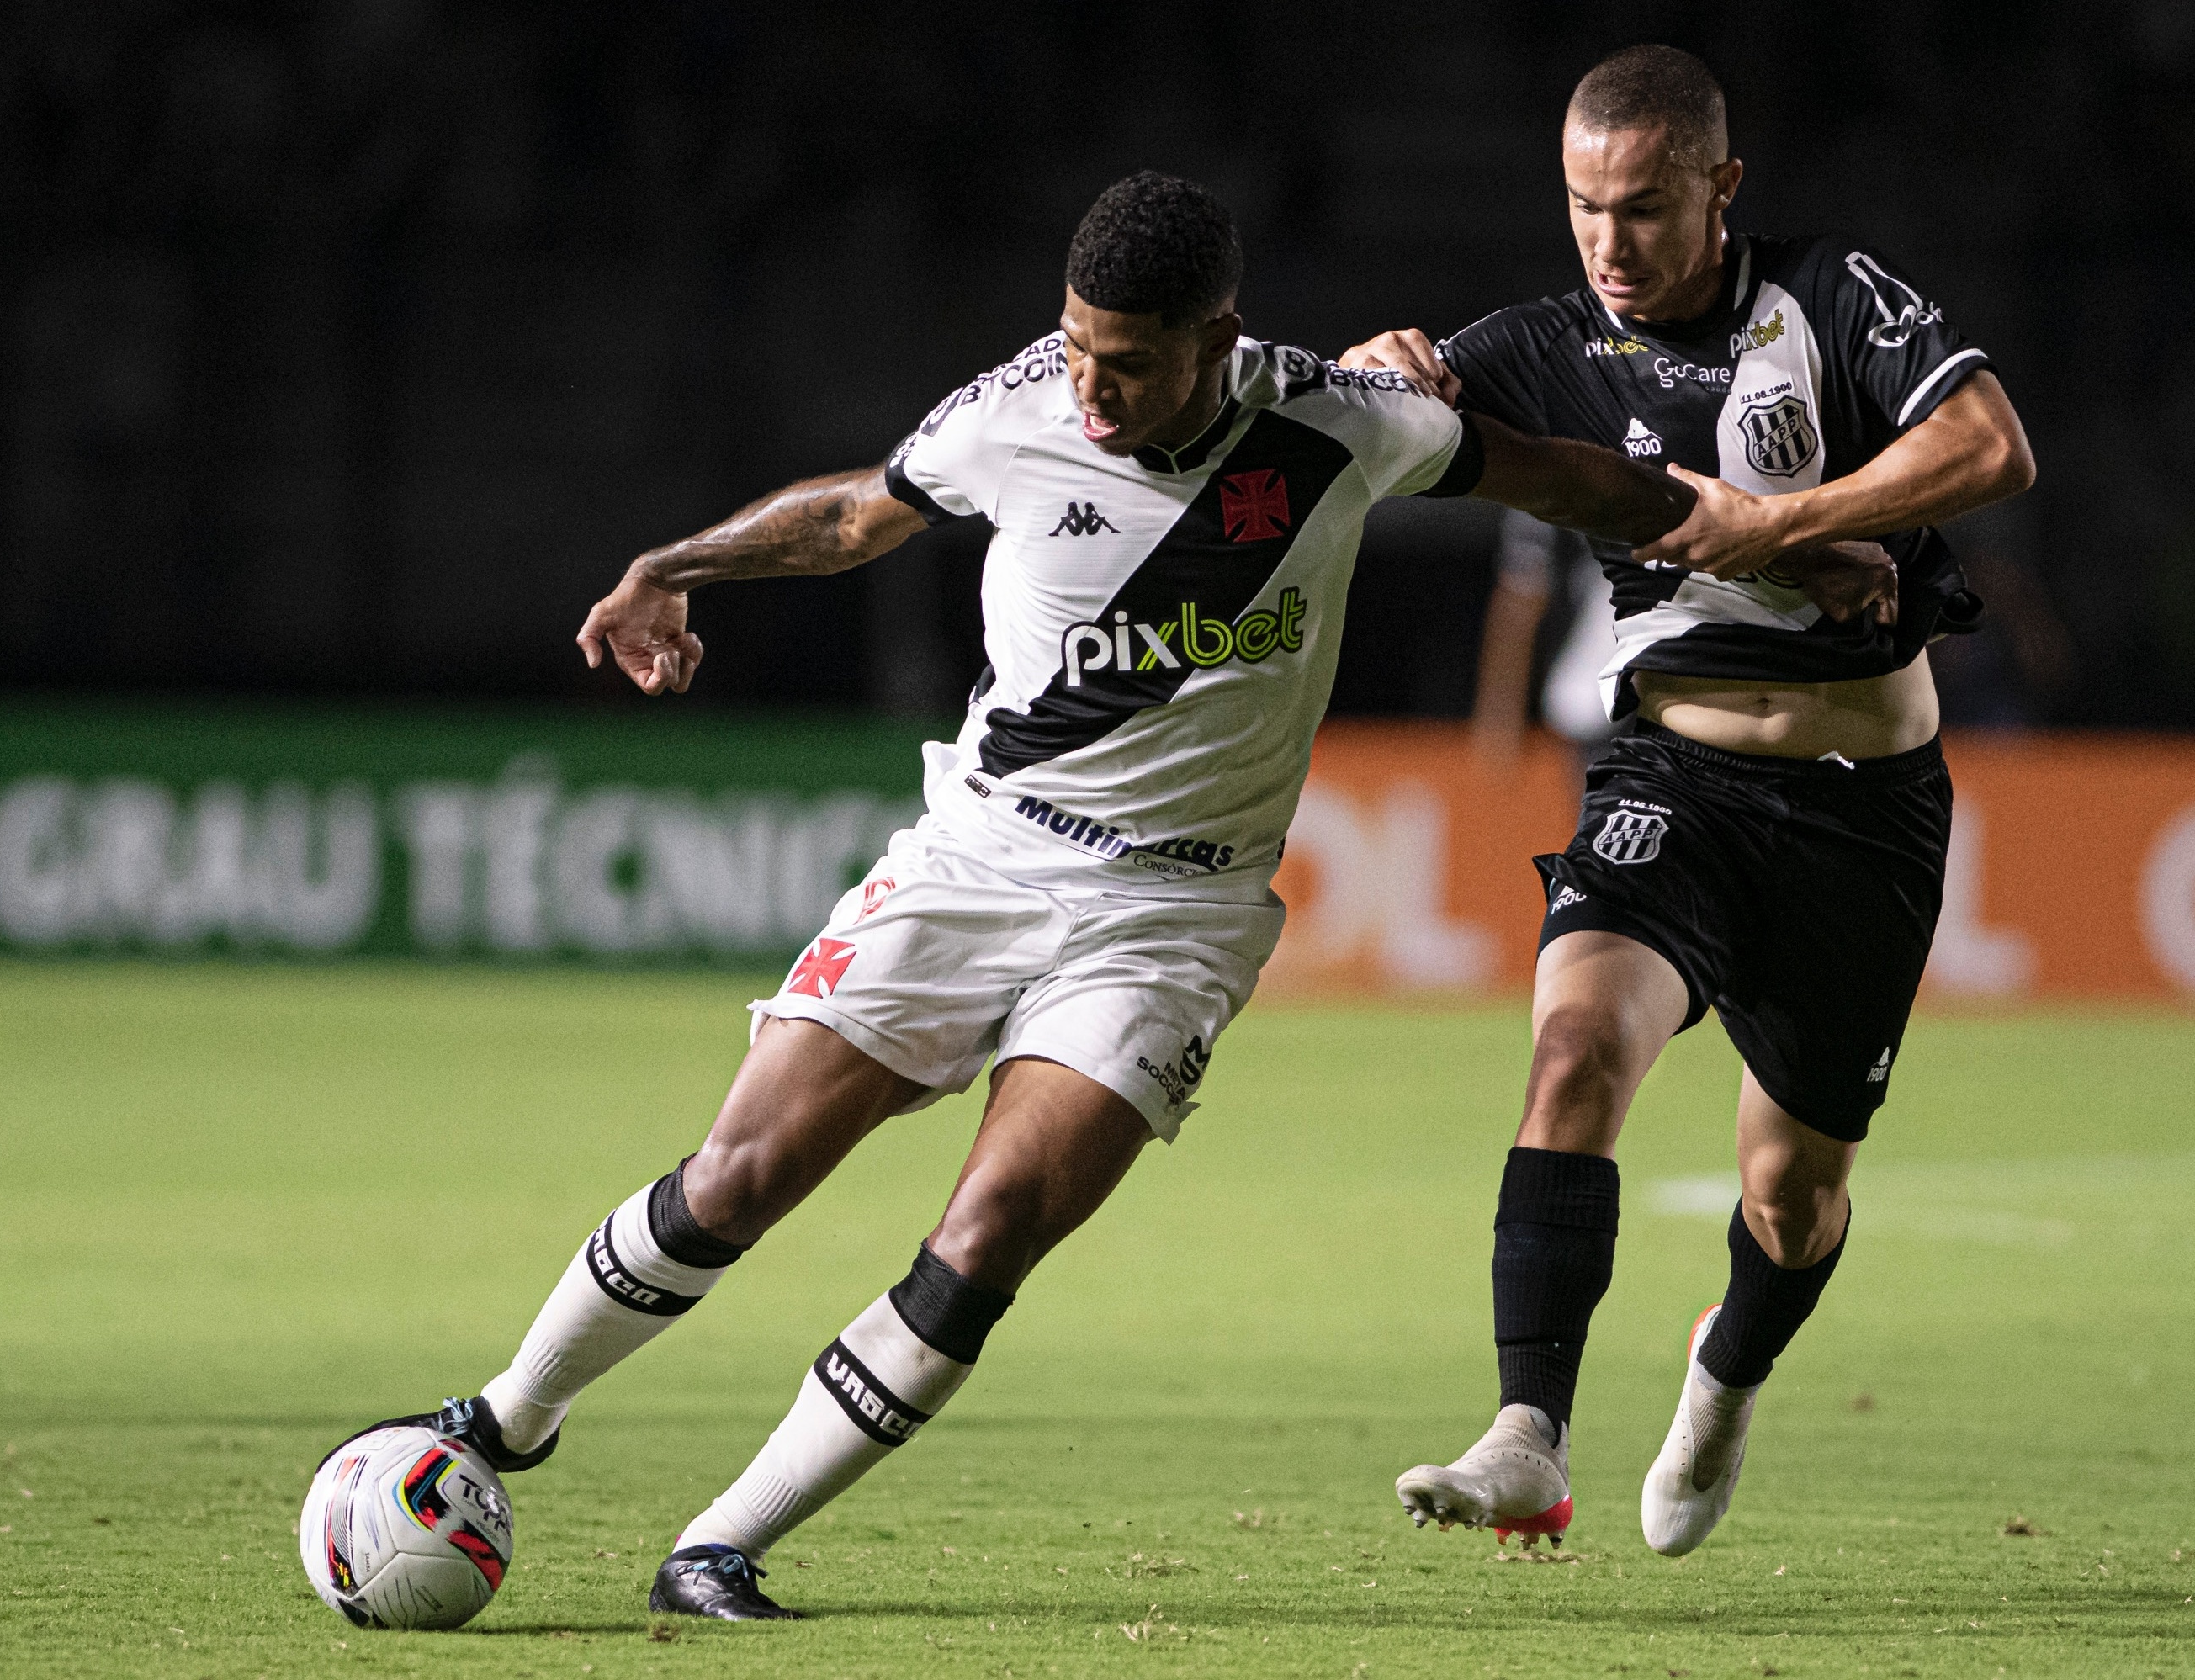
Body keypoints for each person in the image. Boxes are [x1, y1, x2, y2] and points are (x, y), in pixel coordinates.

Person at [323, 170, 1866, 1620]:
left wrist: (1790, 556)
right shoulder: (1013, 415)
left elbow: (1575, 477)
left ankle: (718, 1545)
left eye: (1125, 363)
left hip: (1170, 922)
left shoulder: (1339, 427)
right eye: (1075, 350)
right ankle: (506, 1416)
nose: (1089, 388)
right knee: (739, 1170)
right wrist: (677, 564)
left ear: (1216, 341)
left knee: (988, 1225)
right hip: (978, 858)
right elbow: (859, 510)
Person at [1341, 44, 2035, 1557]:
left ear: (1721, 190)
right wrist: (1381, 372)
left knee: (1789, 1197)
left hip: (1865, 806)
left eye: (1644, 208)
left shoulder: (1830, 300)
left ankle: (1721, 1374)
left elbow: (1990, 446)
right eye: (1584, 207)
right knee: (1577, 1042)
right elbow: (1378, 415)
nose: (1607, 242)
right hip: (1674, 777)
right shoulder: (1541, 343)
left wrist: (1781, 520)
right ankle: (1528, 1429)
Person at [1471, 507, 1624, 766]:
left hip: (1672, 688)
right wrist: (1500, 723)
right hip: (1597, 701)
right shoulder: (1545, 496)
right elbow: (1520, 601)